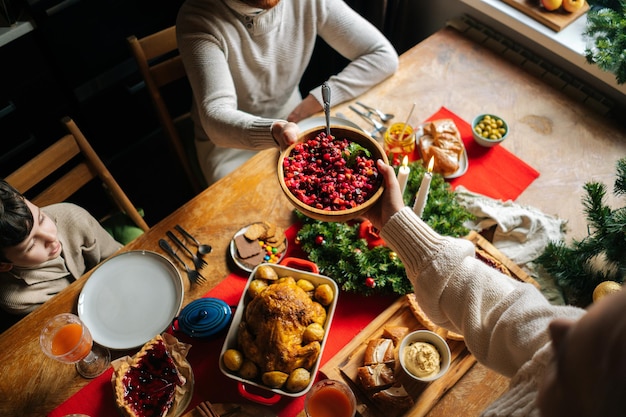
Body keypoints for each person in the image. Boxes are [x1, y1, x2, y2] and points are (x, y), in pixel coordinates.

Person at [363, 160, 626, 417]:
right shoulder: (567, 368)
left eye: (587, 341)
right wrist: (398, 224)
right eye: (581, 320)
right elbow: (502, 312)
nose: (557, 328)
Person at [176, 0, 399, 185]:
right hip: (227, 146)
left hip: (295, 118)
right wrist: (273, 131)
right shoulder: (198, 17)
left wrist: (317, 101)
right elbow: (215, 117)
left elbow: (382, 55)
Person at [0, 180, 122, 315]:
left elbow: (119, 257)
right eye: (31, 245)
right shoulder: (16, 299)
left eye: (41, 219)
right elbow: (65, 320)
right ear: (3, 265)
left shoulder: (73, 217)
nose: (51, 237)